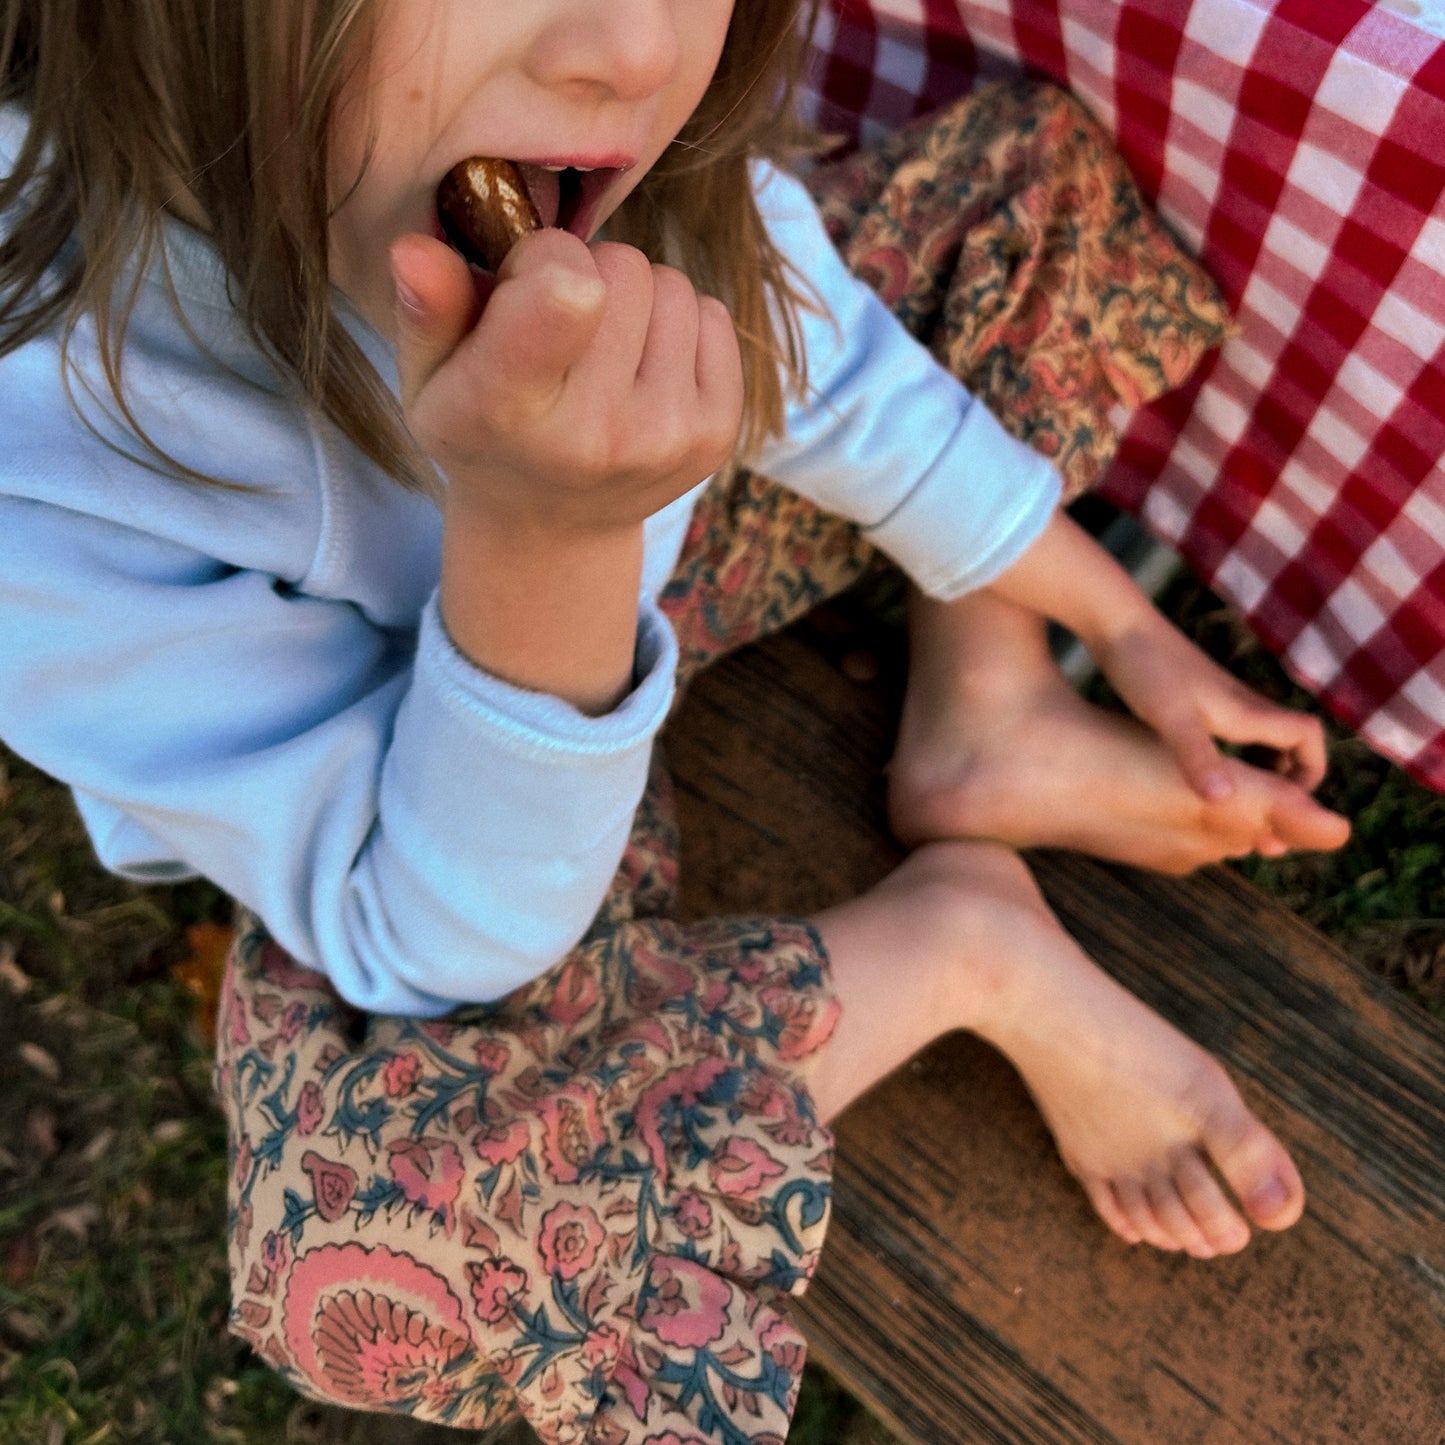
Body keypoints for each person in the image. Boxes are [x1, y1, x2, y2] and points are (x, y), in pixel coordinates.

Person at [0, 0, 1352, 1439]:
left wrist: (1124, 630)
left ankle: (988, 696)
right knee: (379, 1264)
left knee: (1037, 177)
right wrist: (545, 539)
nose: (637, 55)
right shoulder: (58, 449)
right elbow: (436, 932)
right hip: (438, 772)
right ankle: (968, 943)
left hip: (654, 543)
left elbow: (817, 361)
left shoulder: (570, 159)